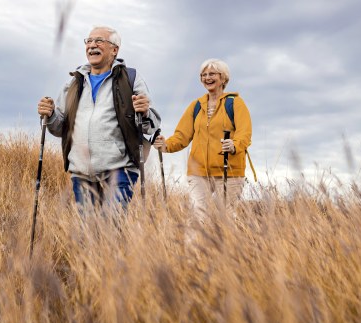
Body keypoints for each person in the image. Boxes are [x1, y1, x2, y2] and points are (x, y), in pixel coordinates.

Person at [37, 25, 160, 212]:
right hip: (81, 173)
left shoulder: (130, 78)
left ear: (114, 50)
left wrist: (144, 112)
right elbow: (58, 127)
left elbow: (152, 125)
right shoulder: (73, 82)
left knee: (110, 228)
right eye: (89, 41)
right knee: (88, 234)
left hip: (119, 170)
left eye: (99, 41)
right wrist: (50, 114)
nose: (92, 45)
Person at [152, 58, 252, 223]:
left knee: (226, 217)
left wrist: (234, 145)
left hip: (229, 170)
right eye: (203, 75)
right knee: (197, 217)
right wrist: (166, 145)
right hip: (198, 171)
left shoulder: (235, 104)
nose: (207, 78)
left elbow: (245, 133)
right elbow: (182, 136)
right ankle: (193, 249)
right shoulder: (196, 105)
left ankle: (230, 248)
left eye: (212, 74)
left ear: (223, 78)